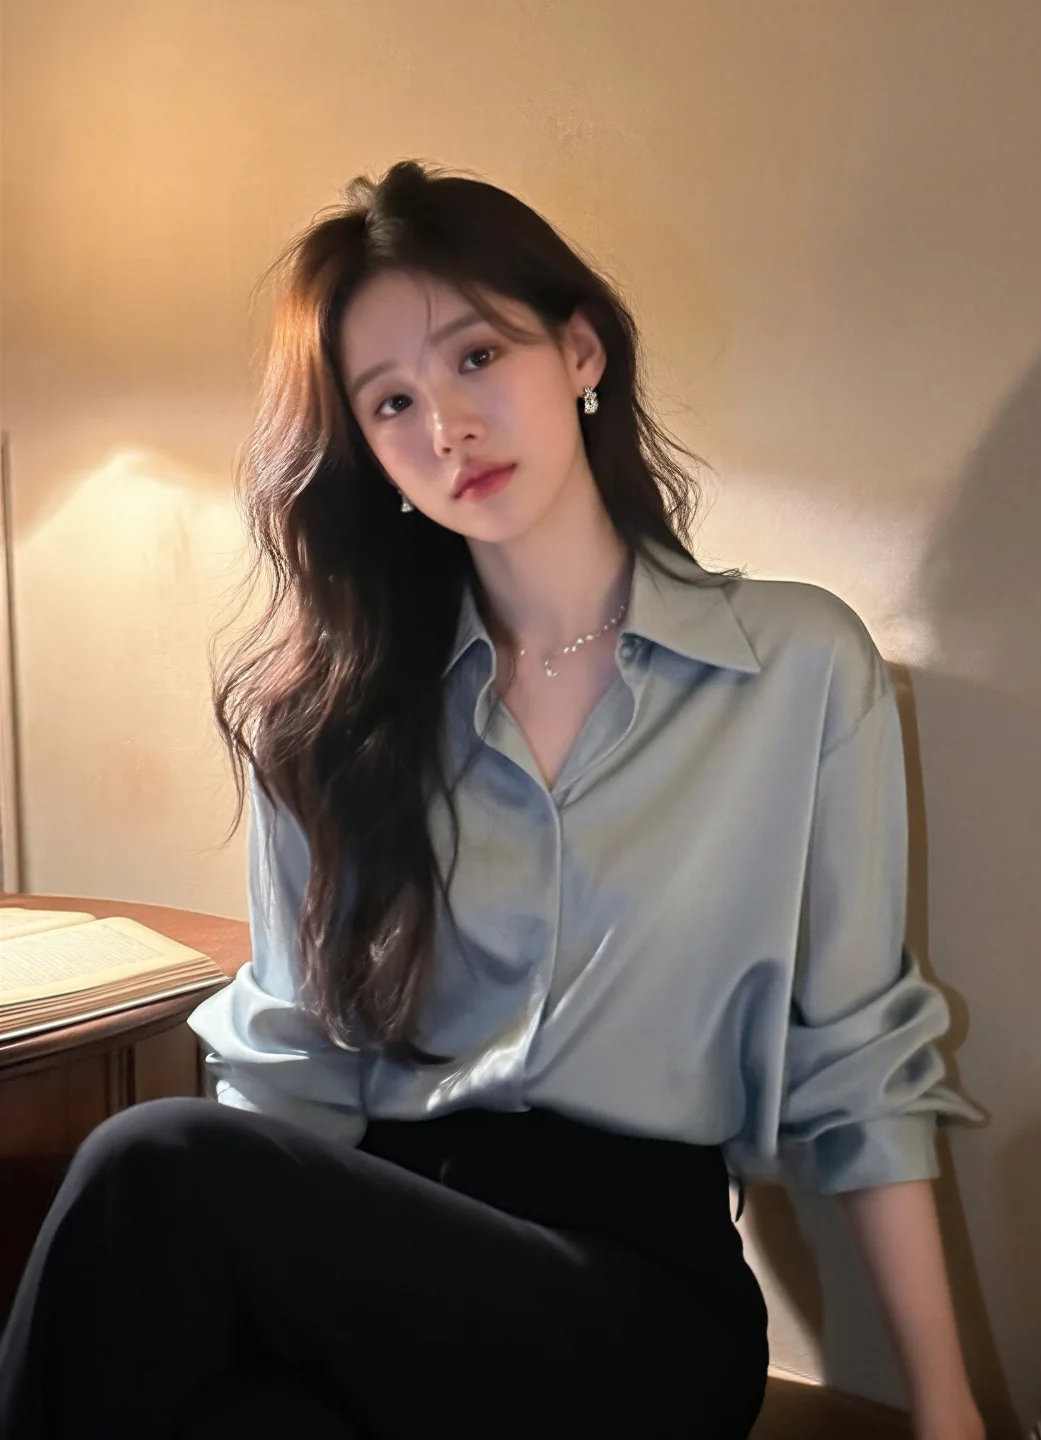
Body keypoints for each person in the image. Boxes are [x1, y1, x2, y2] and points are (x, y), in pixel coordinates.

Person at [0, 159, 986, 1440]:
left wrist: (947, 1409)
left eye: (477, 357)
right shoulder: (334, 714)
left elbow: (857, 1064)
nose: (447, 427)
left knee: (150, 1161)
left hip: (635, 1302)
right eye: (393, 401)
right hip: (388, 1251)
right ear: (369, 453)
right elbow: (297, 1069)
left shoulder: (796, 667)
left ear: (580, 351)